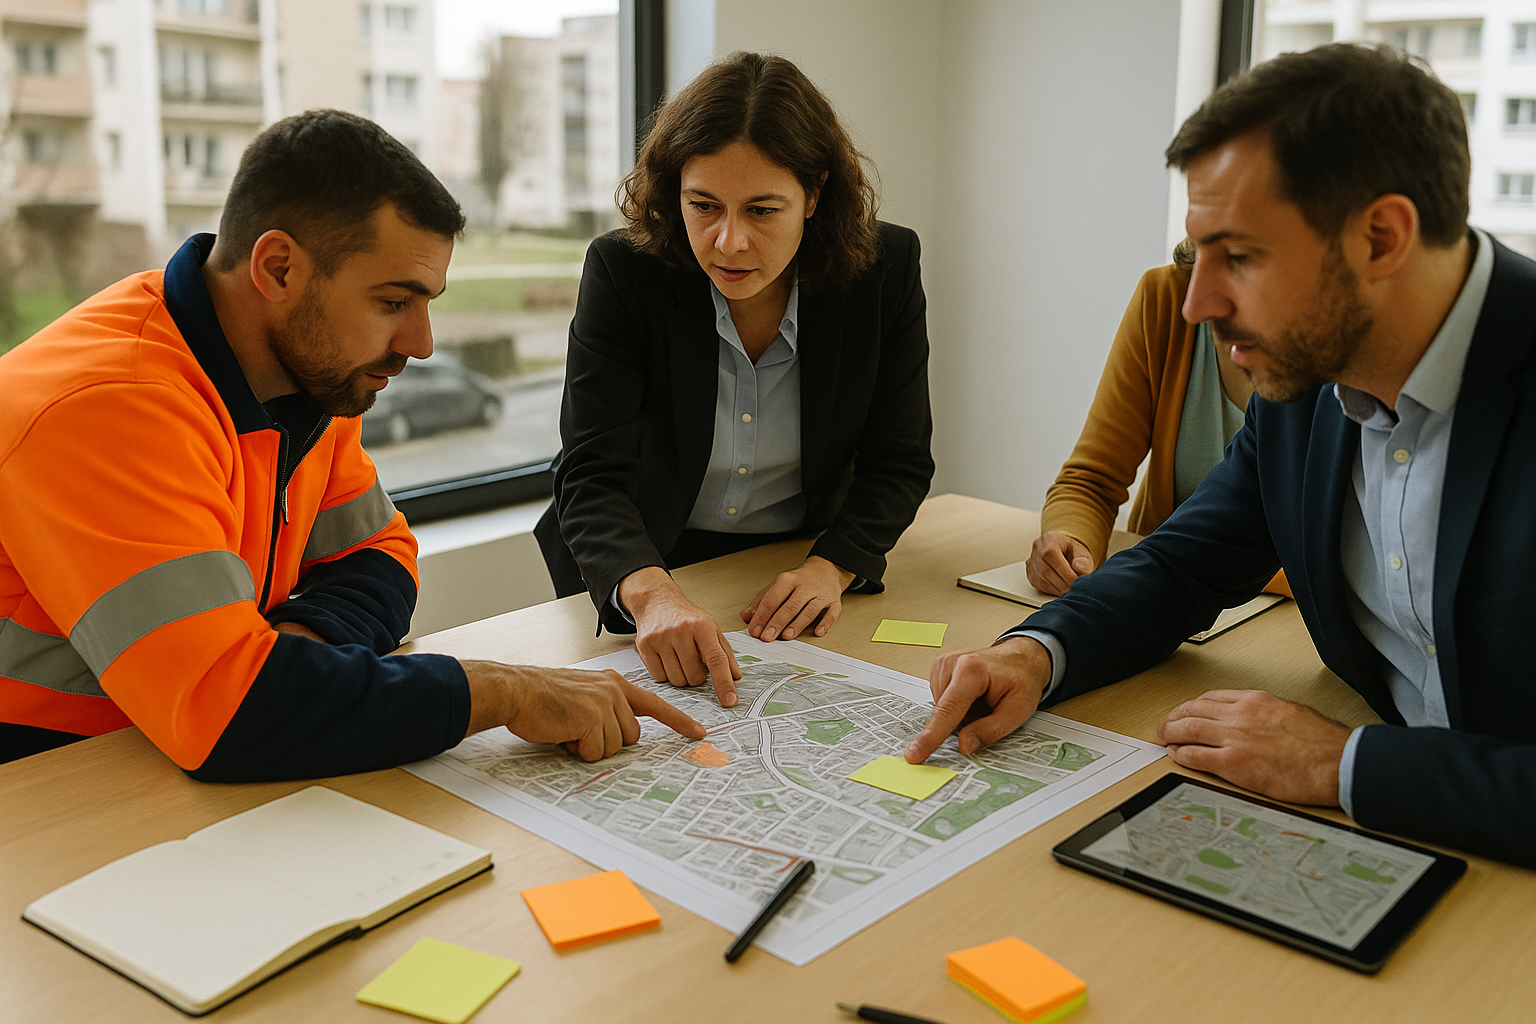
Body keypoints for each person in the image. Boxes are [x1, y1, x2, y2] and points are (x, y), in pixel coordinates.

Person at [907, 43, 1536, 868]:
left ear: (1381, 238)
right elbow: (1180, 567)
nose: (1199, 303)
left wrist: (1340, 763)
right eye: (1198, 251)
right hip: (1391, 840)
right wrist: (1034, 653)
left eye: (1239, 256)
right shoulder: (1309, 385)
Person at [0, 110, 704, 779]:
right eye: (394, 303)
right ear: (278, 269)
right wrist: (501, 693)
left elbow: (380, 558)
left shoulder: (310, 375)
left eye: (427, 304)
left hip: (161, 760)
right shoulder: (109, 406)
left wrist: (285, 665)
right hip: (44, 782)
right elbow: (231, 714)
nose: (421, 345)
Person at [536, 52, 934, 710]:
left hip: (797, 559)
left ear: (815, 194)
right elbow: (590, 473)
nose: (729, 242)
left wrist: (831, 567)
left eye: (763, 210)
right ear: (675, 193)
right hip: (641, 555)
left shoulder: (884, 269)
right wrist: (650, 591)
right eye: (703, 206)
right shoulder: (623, 271)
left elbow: (898, 461)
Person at [1027, 242, 1289, 598]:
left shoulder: (1342, 342)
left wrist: (1184, 567)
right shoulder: (1167, 297)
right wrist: (1071, 541)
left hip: (1293, 623)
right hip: (1167, 600)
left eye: (1234, 262)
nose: (1194, 306)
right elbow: (1091, 481)